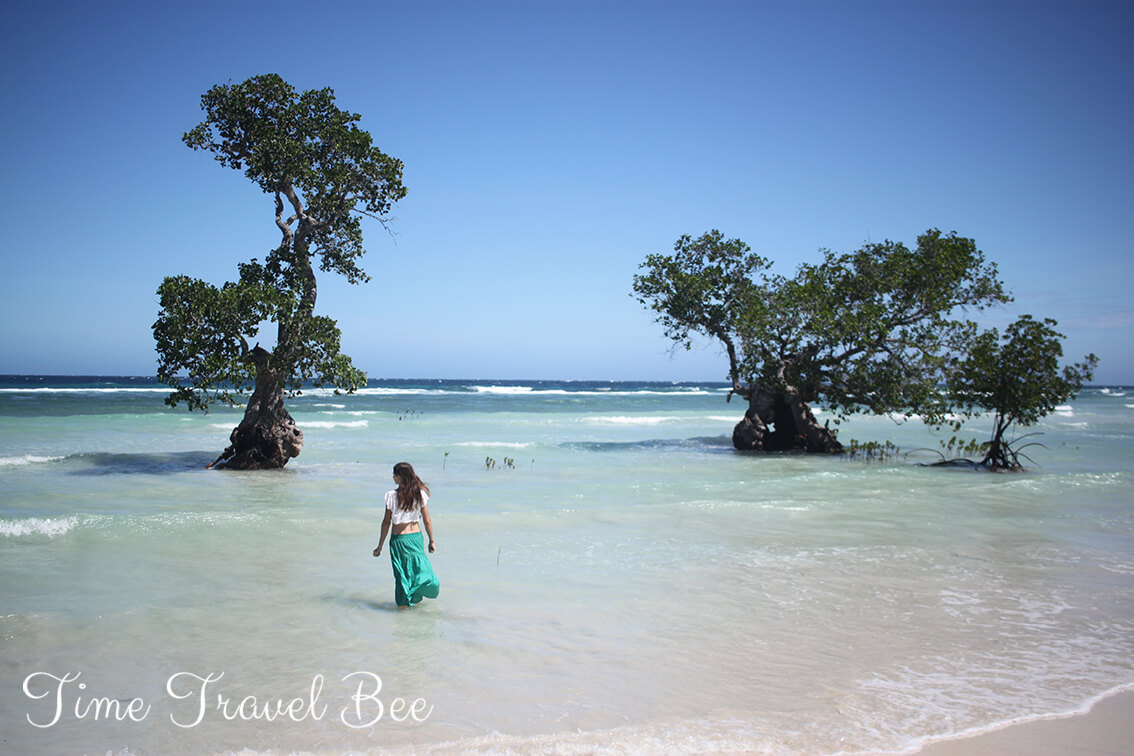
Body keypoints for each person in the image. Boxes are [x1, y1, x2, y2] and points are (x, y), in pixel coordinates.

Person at [373, 462, 440, 608]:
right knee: (420, 570)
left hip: (399, 540)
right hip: (416, 538)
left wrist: (380, 546)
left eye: (394, 475)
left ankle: (404, 607)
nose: (393, 477)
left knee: (402, 575)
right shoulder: (420, 495)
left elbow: (386, 522)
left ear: (400, 477)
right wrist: (431, 540)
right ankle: (414, 605)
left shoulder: (391, 496)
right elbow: (427, 520)